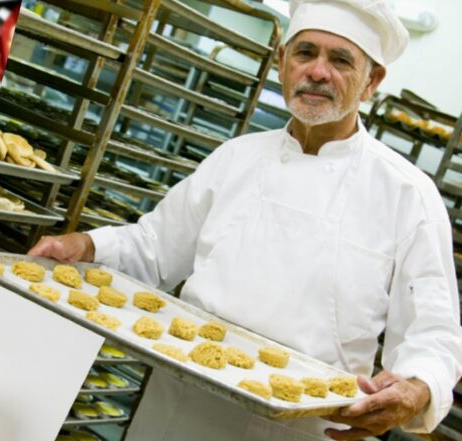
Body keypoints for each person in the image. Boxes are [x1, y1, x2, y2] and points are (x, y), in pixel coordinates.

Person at [30, 0, 462, 439]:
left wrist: (418, 387)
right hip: (178, 412)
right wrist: (87, 245)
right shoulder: (237, 157)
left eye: (340, 60)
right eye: (305, 52)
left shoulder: (407, 194)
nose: (317, 71)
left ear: (372, 82)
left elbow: (435, 333)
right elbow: (155, 248)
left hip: (304, 427)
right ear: (281, 62)